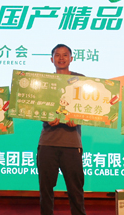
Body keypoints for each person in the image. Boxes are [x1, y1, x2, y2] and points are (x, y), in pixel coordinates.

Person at [37, 44, 86, 215]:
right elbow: (38, 108)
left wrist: (77, 119)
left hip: (72, 144)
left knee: (75, 189)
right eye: (57, 55)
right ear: (51, 59)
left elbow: (86, 108)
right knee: (45, 189)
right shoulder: (46, 82)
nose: (61, 58)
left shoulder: (81, 80)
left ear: (71, 58)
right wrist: (46, 118)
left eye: (65, 55)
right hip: (47, 142)